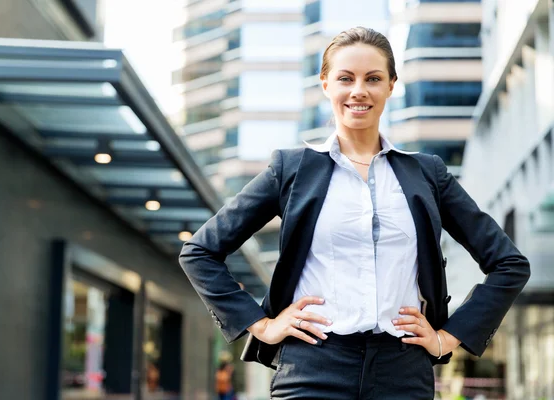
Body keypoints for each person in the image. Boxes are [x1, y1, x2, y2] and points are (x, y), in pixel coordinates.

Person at [179, 27, 530, 399]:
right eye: (346, 78)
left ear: (391, 85)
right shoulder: (292, 170)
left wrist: (447, 337)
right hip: (312, 368)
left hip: (403, 370)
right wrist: (261, 325)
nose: (358, 90)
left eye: (373, 79)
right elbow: (200, 252)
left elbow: (509, 264)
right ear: (326, 83)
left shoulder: (427, 174)